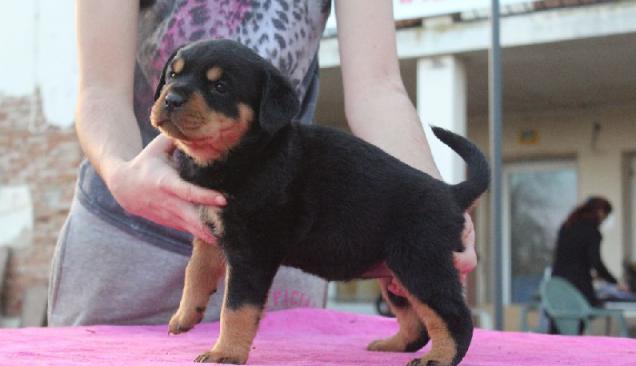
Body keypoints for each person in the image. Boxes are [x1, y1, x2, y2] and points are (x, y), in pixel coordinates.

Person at [48, 0, 477, 326]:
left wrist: (422, 205)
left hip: (281, 245)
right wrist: (122, 170)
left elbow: (377, 90)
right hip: (127, 248)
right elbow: (101, 89)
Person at [551, 197, 624, 307]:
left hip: (558, 285)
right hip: (578, 288)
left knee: (561, 319)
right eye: (606, 215)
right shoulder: (592, 232)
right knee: (589, 313)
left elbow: (566, 258)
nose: (604, 220)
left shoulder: (566, 226)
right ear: (600, 212)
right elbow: (596, 263)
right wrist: (615, 282)